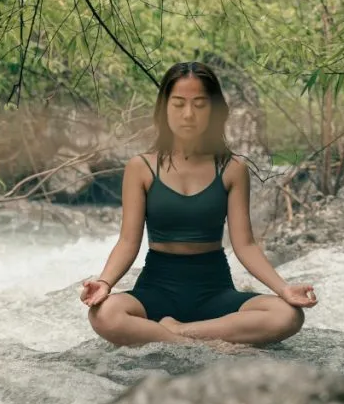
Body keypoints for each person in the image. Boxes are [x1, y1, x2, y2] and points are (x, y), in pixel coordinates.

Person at [78, 61, 318, 347]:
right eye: (178, 104)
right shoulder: (140, 167)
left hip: (214, 291)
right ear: (164, 109)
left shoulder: (232, 168)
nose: (188, 114)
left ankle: (178, 333)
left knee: (288, 316)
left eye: (200, 104)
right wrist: (104, 283)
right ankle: (208, 339)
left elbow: (246, 245)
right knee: (104, 314)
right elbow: (128, 241)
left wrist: (284, 289)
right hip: (156, 288)